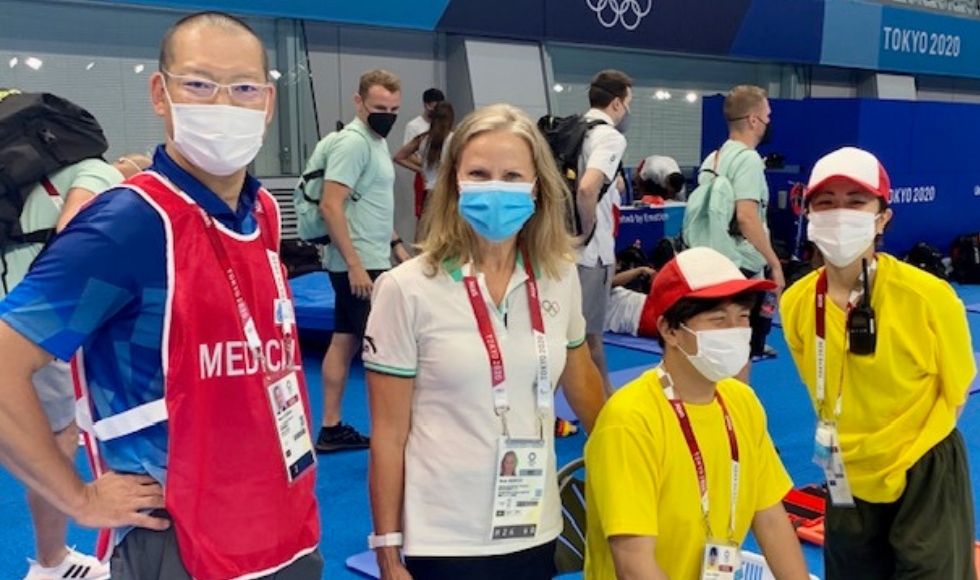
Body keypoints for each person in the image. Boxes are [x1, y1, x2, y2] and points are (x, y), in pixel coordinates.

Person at [0, 12, 322, 579]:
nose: (224, 104)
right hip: (180, 543)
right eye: (199, 84)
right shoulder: (126, 225)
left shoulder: (262, 212)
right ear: (160, 93)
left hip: (286, 519)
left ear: (268, 103)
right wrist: (77, 498)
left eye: (244, 88)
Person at [365, 104, 606, 580]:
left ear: (536, 186)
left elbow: (586, 393)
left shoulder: (559, 279)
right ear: (455, 183)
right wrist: (388, 551)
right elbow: (389, 436)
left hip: (533, 524)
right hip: (444, 536)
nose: (496, 186)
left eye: (512, 174)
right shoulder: (406, 288)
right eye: (479, 173)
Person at [780, 147, 976, 580]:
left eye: (856, 202)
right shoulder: (796, 303)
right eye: (826, 203)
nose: (840, 213)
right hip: (841, 464)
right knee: (851, 572)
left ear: (882, 216)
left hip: (922, 464)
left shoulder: (929, 297)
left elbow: (957, 385)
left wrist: (909, 445)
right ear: (808, 213)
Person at [584, 247, 809, 580]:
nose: (735, 330)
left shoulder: (741, 402)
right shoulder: (630, 419)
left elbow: (772, 520)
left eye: (743, 317)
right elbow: (634, 563)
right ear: (670, 330)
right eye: (718, 320)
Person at [3, 154, 123, 580]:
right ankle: (51, 564)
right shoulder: (98, 174)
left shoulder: (19, 176)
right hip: (33, 323)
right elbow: (73, 239)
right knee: (53, 441)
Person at [317, 69, 411, 453]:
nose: (387, 115)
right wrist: (355, 265)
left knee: (345, 340)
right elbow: (330, 204)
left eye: (393, 108)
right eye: (378, 107)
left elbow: (369, 204)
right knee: (380, 349)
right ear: (358, 103)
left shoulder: (375, 143)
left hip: (371, 257)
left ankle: (331, 426)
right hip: (359, 265)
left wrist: (398, 246)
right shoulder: (354, 143)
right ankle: (388, 432)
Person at [696, 85, 784, 363]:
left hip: (712, 260)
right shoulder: (748, 161)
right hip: (741, 265)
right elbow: (747, 217)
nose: (769, 121)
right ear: (753, 120)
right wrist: (774, 263)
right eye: (767, 115)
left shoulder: (715, 157)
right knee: (740, 348)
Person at [576, 69, 632, 396]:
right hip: (590, 253)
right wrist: (585, 232)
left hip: (563, 249)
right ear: (616, 103)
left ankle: (606, 397)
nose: (628, 111)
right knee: (586, 336)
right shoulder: (610, 136)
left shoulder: (576, 129)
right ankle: (602, 405)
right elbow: (586, 189)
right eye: (628, 103)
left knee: (583, 335)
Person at [393, 100, 454, 226]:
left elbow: (399, 157)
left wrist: (421, 169)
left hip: (429, 192)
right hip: (447, 192)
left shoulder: (423, 139)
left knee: (426, 229)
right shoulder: (454, 139)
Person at [404, 88, 446, 219]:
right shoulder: (414, 126)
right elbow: (408, 154)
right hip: (424, 176)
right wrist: (427, 165)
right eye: (434, 107)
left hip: (442, 176)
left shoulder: (443, 124)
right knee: (423, 217)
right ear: (427, 105)